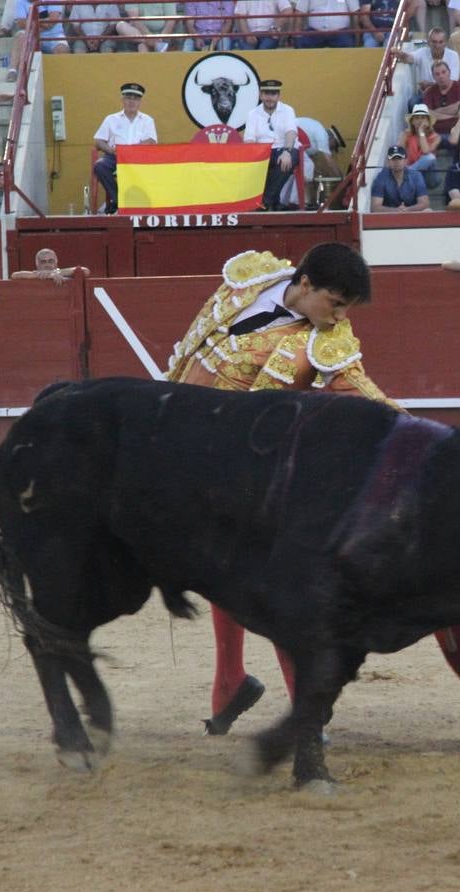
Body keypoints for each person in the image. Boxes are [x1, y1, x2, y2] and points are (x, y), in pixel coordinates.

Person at [162, 244, 396, 737]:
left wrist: (424, 435)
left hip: (257, 475)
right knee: (222, 572)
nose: (339, 317)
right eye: (335, 303)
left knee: (272, 588)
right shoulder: (250, 279)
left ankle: (297, 710)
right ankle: (232, 681)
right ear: (305, 284)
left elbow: (365, 396)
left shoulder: (327, 343)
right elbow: (194, 350)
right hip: (190, 457)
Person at [92, 82, 156, 215]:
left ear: (140, 102)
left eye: (135, 98)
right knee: (99, 166)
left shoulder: (147, 120)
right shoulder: (111, 119)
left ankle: (127, 203)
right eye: (128, 98)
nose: (131, 101)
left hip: (138, 159)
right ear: (122, 100)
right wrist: (112, 151)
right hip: (115, 157)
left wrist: (131, 150)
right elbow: (98, 141)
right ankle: (120, 201)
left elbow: (151, 142)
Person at [245, 79, 300, 211]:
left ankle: (264, 202)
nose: (270, 97)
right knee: (254, 167)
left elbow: (291, 133)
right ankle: (274, 203)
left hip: (285, 148)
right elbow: (249, 140)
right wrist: (255, 159)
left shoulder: (287, 110)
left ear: (278, 96)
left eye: (273, 94)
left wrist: (287, 151)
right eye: (266, 93)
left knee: (286, 161)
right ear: (261, 95)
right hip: (262, 151)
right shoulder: (252, 114)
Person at [9, 0, 71, 79]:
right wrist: (42, 23)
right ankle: (12, 71)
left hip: (54, 36)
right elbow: (21, 23)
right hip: (32, 35)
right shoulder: (20, 1)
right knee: (20, 36)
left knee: (62, 49)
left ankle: (62, 78)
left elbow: (52, 20)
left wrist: (33, 24)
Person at [369, 143, 430, 211]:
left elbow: (424, 203)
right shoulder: (381, 177)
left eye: (400, 158)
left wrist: (407, 210)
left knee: (428, 211)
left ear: (405, 161)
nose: (397, 161)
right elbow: (375, 207)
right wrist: (396, 210)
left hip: (412, 214)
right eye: (393, 159)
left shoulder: (416, 175)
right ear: (388, 162)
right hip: (389, 217)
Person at [402, 27, 460, 94]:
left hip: (448, 94)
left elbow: (452, 82)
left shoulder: (453, 55)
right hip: (427, 93)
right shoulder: (422, 52)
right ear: (428, 42)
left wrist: (429, 85)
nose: (437, 45)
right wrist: (400, 54)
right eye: (434, 42)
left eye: (440, 42)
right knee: (412, 102)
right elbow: (408, 58)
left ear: (445, 43)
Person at [399, 103, 441, 186]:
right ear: (412, 121)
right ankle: (410, 172)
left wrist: (421, 132)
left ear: (428, 121)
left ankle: (409, 171)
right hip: (412, 172)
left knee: (430, 158)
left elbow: (426, 151)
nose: (420, 120)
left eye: (423, 117)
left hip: (429, 176)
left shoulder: (436, 137)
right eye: (417, 118)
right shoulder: (406, 134)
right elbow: (399, 152)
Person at [424, 60, 460, 136]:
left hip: (457, 131)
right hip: (435, 134)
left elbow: (459, 108)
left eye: (444, 72)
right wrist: (451, 116)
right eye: (437, 74)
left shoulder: (459, 87)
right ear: (433, 77)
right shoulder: (429, 91)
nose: (441, 76)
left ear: (449, 72)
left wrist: (436, 112)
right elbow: (428, 114)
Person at [294, 0, 359, 47]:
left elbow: (355, 13)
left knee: (347, 45)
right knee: (302, 44)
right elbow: (299, 12)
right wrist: (297, 37)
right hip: (314, 32)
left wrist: (357, 38)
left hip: (340, 33)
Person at [11, 247, 90, 282]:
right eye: (43, 262)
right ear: (37, 264)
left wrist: (56, 272)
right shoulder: (33, 275)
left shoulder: (60, 273)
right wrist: (50, 275)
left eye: (50, 261)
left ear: (56, 263)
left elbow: (85, 271)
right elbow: (15, 275)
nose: (47, 264)